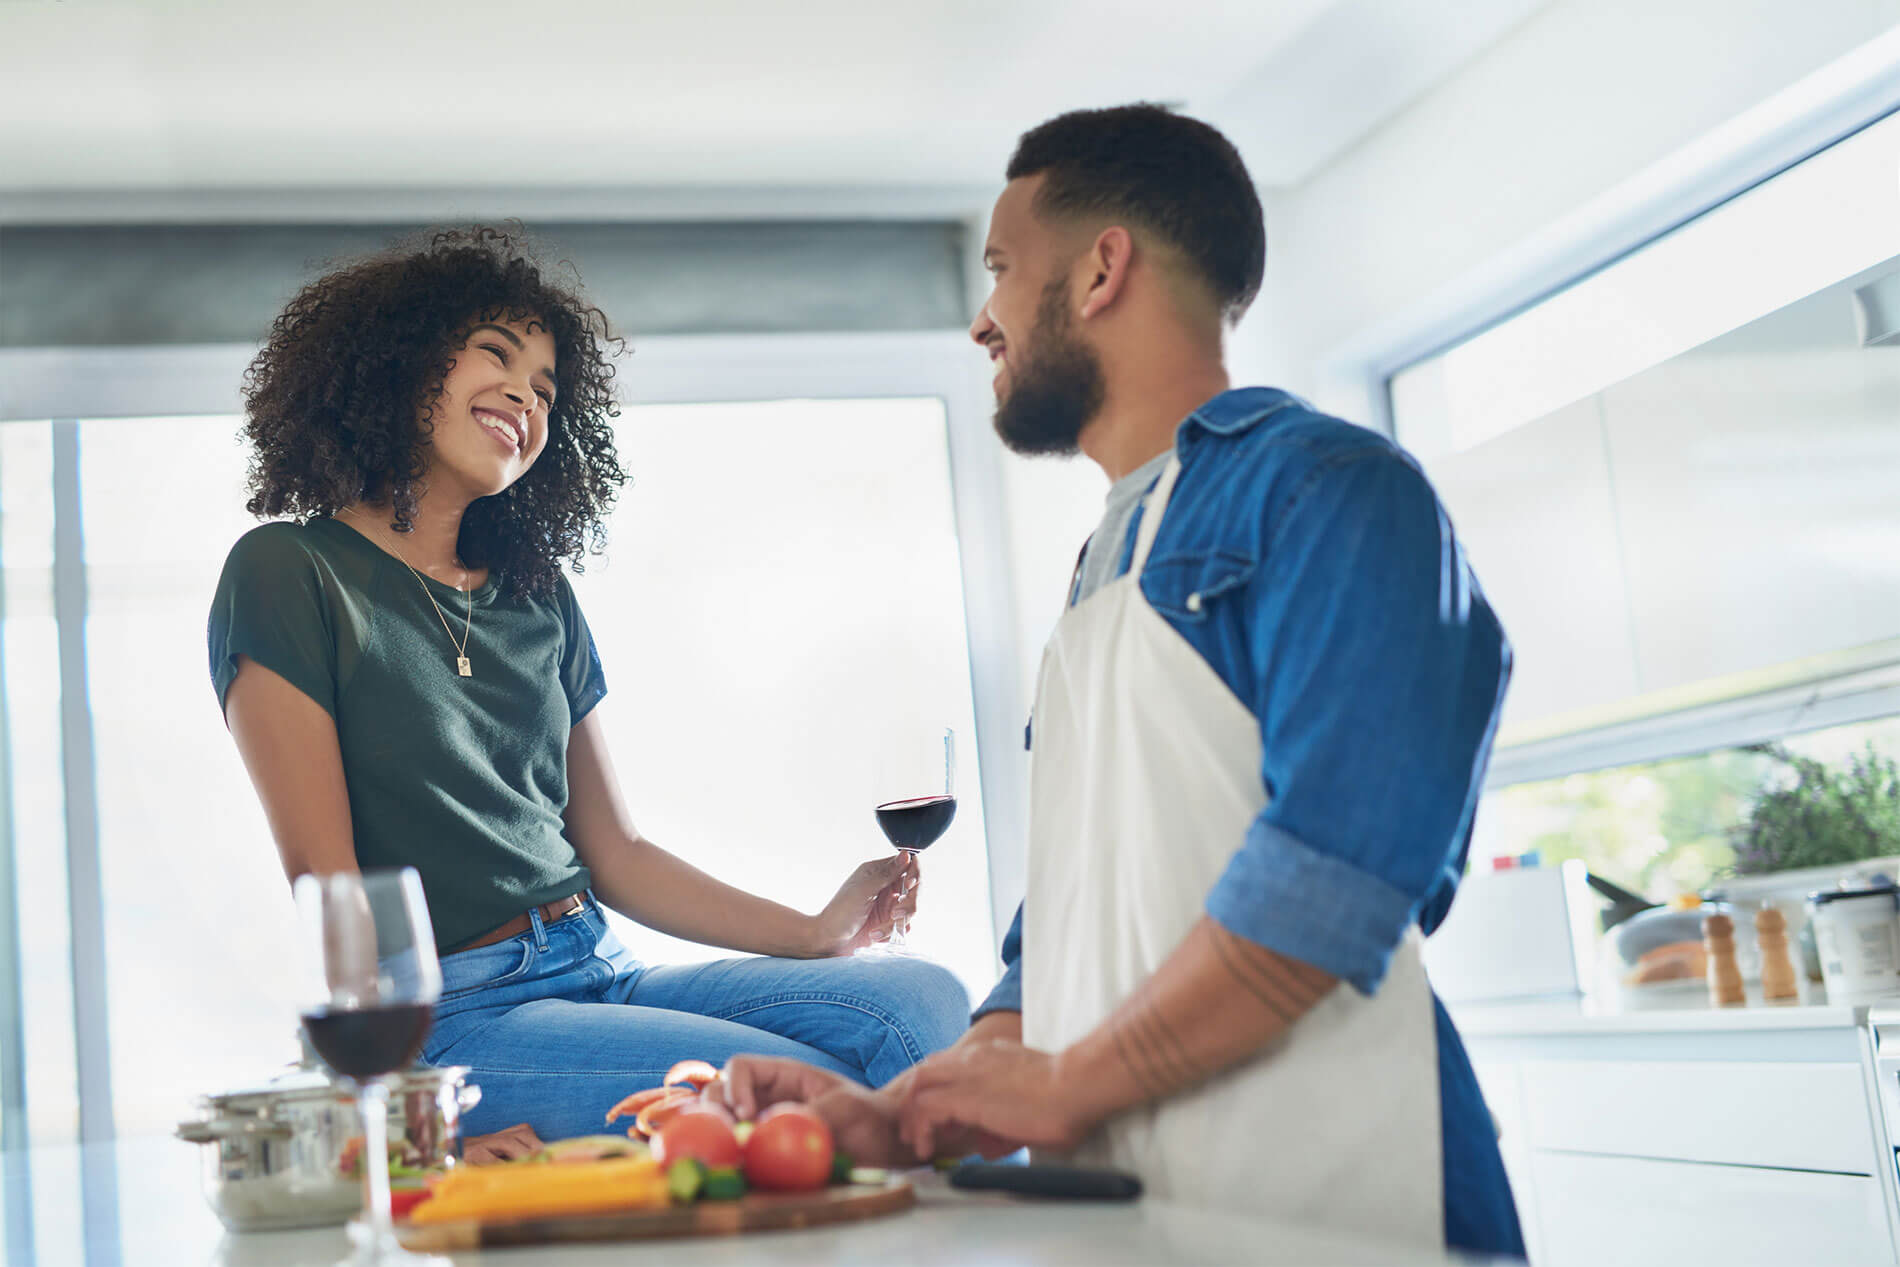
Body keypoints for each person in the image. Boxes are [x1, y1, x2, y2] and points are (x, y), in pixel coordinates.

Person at [706, 106, 1524, 1258]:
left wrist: (1077, 1083)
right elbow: (1083, 909)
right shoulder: (1110, 556)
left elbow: (1336, 869)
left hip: (1342, 1186)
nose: (981, 319)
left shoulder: (1335, 492)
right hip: (1133, 1202)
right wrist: (920, 1104)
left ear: (1100, 270)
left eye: (999, 269)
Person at [207, 226, 969, 1149]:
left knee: (923, 1003)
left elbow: (619, 852)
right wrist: (411, 1125)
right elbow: (330, 888)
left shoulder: (536, 594)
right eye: (496, 353)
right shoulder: (288, 571)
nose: (523, 396)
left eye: (544, 388)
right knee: (807, 1097)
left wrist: (814, 930)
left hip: (599, 963)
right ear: (402, 362)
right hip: (456, 1017)